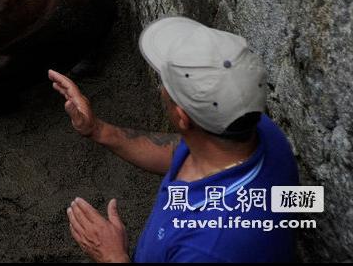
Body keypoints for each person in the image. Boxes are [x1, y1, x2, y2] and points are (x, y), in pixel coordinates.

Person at [49, 16, 300, 262]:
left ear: (182, 117)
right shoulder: (255, 127)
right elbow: (180, 151)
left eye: (166, 84)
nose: (162, 89)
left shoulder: (212, 247)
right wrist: (98, 129)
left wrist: (112, 256)